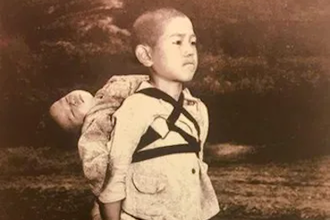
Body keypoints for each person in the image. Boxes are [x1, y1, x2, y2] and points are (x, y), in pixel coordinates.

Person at [94, 7, 220, 220]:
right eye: (177, 42)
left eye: (192, 42)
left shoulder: (197, 110)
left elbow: (195, 172)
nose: (189, 51)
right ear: (146, 55)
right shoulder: (136, 108)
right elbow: (114, 178)